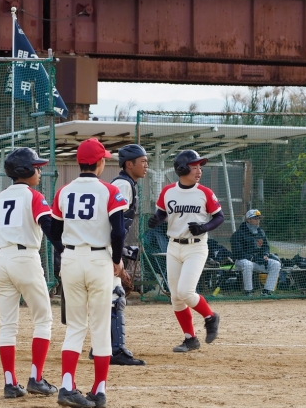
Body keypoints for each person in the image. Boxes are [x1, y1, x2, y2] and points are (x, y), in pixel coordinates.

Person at [0, 147, 62, 399]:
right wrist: (66, 253)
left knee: (8, 325)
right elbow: (49, 229)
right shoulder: (33, 196)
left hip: (0, 261)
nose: (39, 171)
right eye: (37, 167)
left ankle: (10, 383)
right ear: (25, 169)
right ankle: (36, 378)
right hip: (25, 258)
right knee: (43, 320)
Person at [50, 138, 128, 408]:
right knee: (100, 326)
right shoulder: (109, 190)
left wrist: (66, 250)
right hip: (99, 259)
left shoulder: (63, 191)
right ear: (100, 163)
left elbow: (53, 230)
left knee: (75, 326)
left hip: (71, 258)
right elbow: (119, 231)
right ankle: (99, 390)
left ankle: (67, 385)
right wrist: (117, 260)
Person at [147, 149, 224, 353]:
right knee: (176, 297)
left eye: (200, 167)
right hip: (174, 246)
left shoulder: (204, 192)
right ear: (181, 169)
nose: (199, 171)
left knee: (185, 292)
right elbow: (161, 213)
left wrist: (204, 227)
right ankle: (190, 339)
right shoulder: (168, 191)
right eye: (194, 167)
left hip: (196, 247)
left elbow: (219, 217)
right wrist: (156, 220)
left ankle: (210, 317)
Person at [106, 144, 149, 366]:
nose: (146, 165)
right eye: (142, 161)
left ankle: (101, 347)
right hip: (104, 248)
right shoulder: (123, 184)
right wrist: (117, 257)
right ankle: (116, 350)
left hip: (106, 247)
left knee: (110, 297)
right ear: (128, 164)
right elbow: (114, 223)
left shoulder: (127, 183)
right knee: (115, 296)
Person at [230, 209, 281, 297]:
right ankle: (248, 291)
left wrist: (265, 255)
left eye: (259, 218)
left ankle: (267, 291)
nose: (258, 221)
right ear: (248, 220)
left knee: (276, 264)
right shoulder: (238, 234)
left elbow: (266, 247)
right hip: (242, 261)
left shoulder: (261, 232)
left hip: (258, 260)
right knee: (248, 264)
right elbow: (237, 253)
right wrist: (251, 258)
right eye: (255, 218)